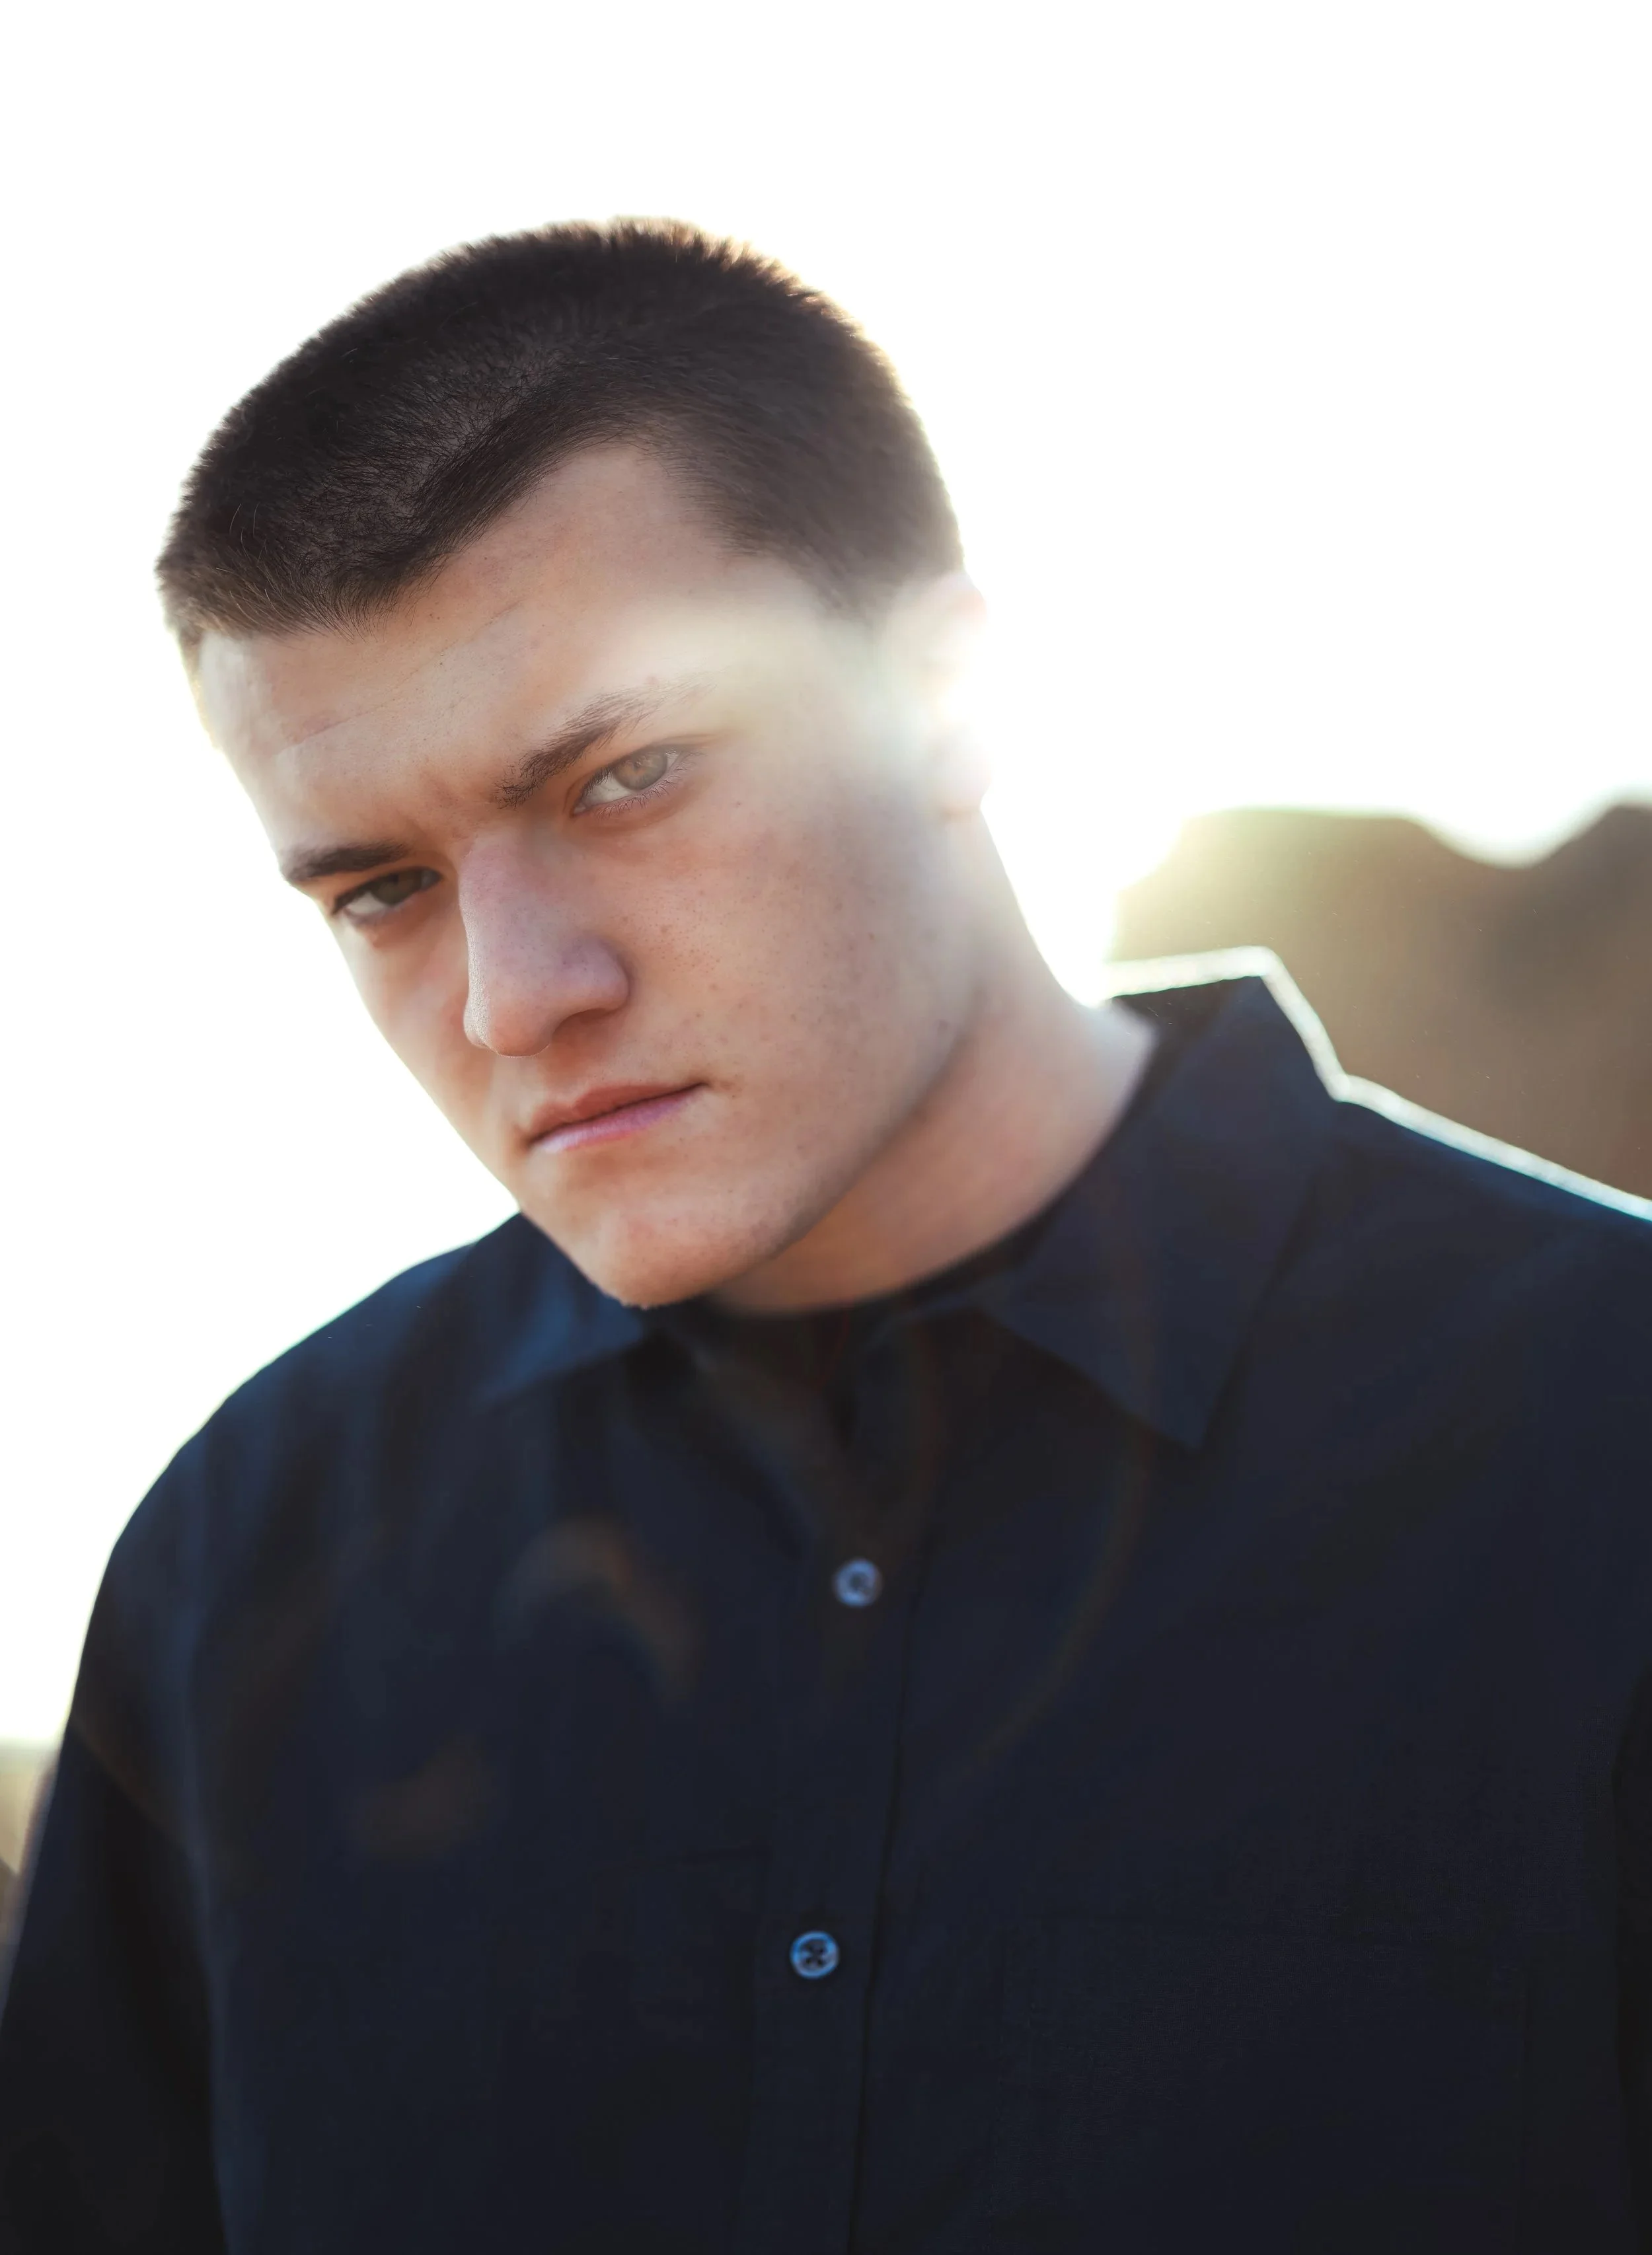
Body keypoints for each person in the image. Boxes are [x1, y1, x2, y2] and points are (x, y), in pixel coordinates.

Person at [1, 221, 1649, 2255]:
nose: (514, 995)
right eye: (379, 890)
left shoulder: (1603, 1435)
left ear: (948, 699)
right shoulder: (244, 1554)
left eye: (626, 775)